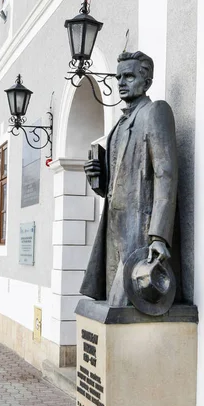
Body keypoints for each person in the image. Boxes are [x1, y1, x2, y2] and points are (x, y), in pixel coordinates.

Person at [80, 51, 178, 306]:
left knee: (125, 302)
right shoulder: (118, 125)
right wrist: (98, 176)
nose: (121, 82)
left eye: (129, 76)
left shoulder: (155, 112)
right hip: (114, 228)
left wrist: (159, 236)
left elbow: (165, 175)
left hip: (140, 229)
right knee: (112, 303)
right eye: (119, 77)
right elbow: (117, 183)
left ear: (146, 81)